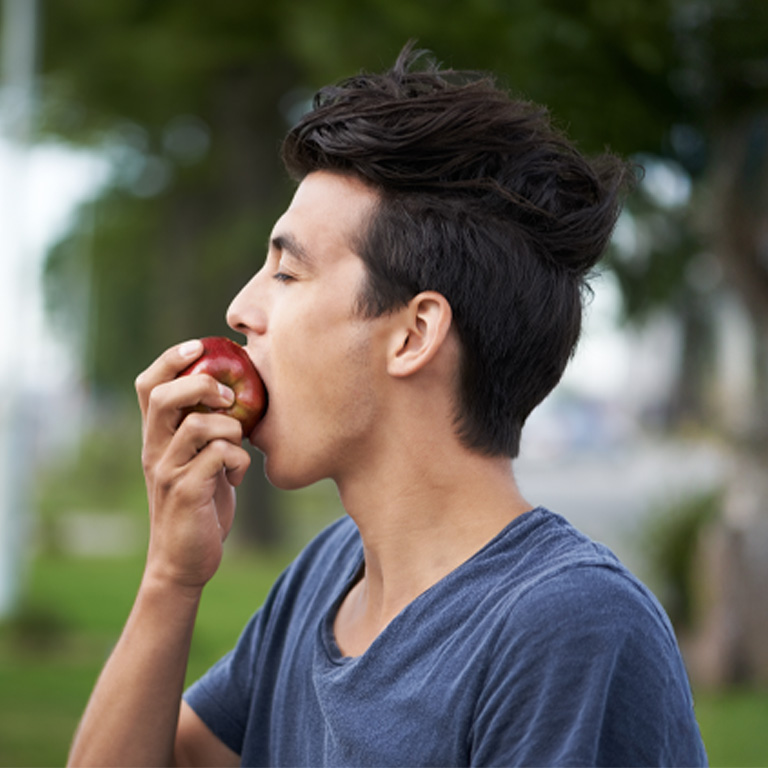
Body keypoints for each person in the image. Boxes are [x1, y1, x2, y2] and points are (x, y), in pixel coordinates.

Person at [68, 44, 708, 767]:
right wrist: (171, 577)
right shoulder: (324, 578)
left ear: (414, 333)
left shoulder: (567, 629)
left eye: (287, 271)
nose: (242, 308)